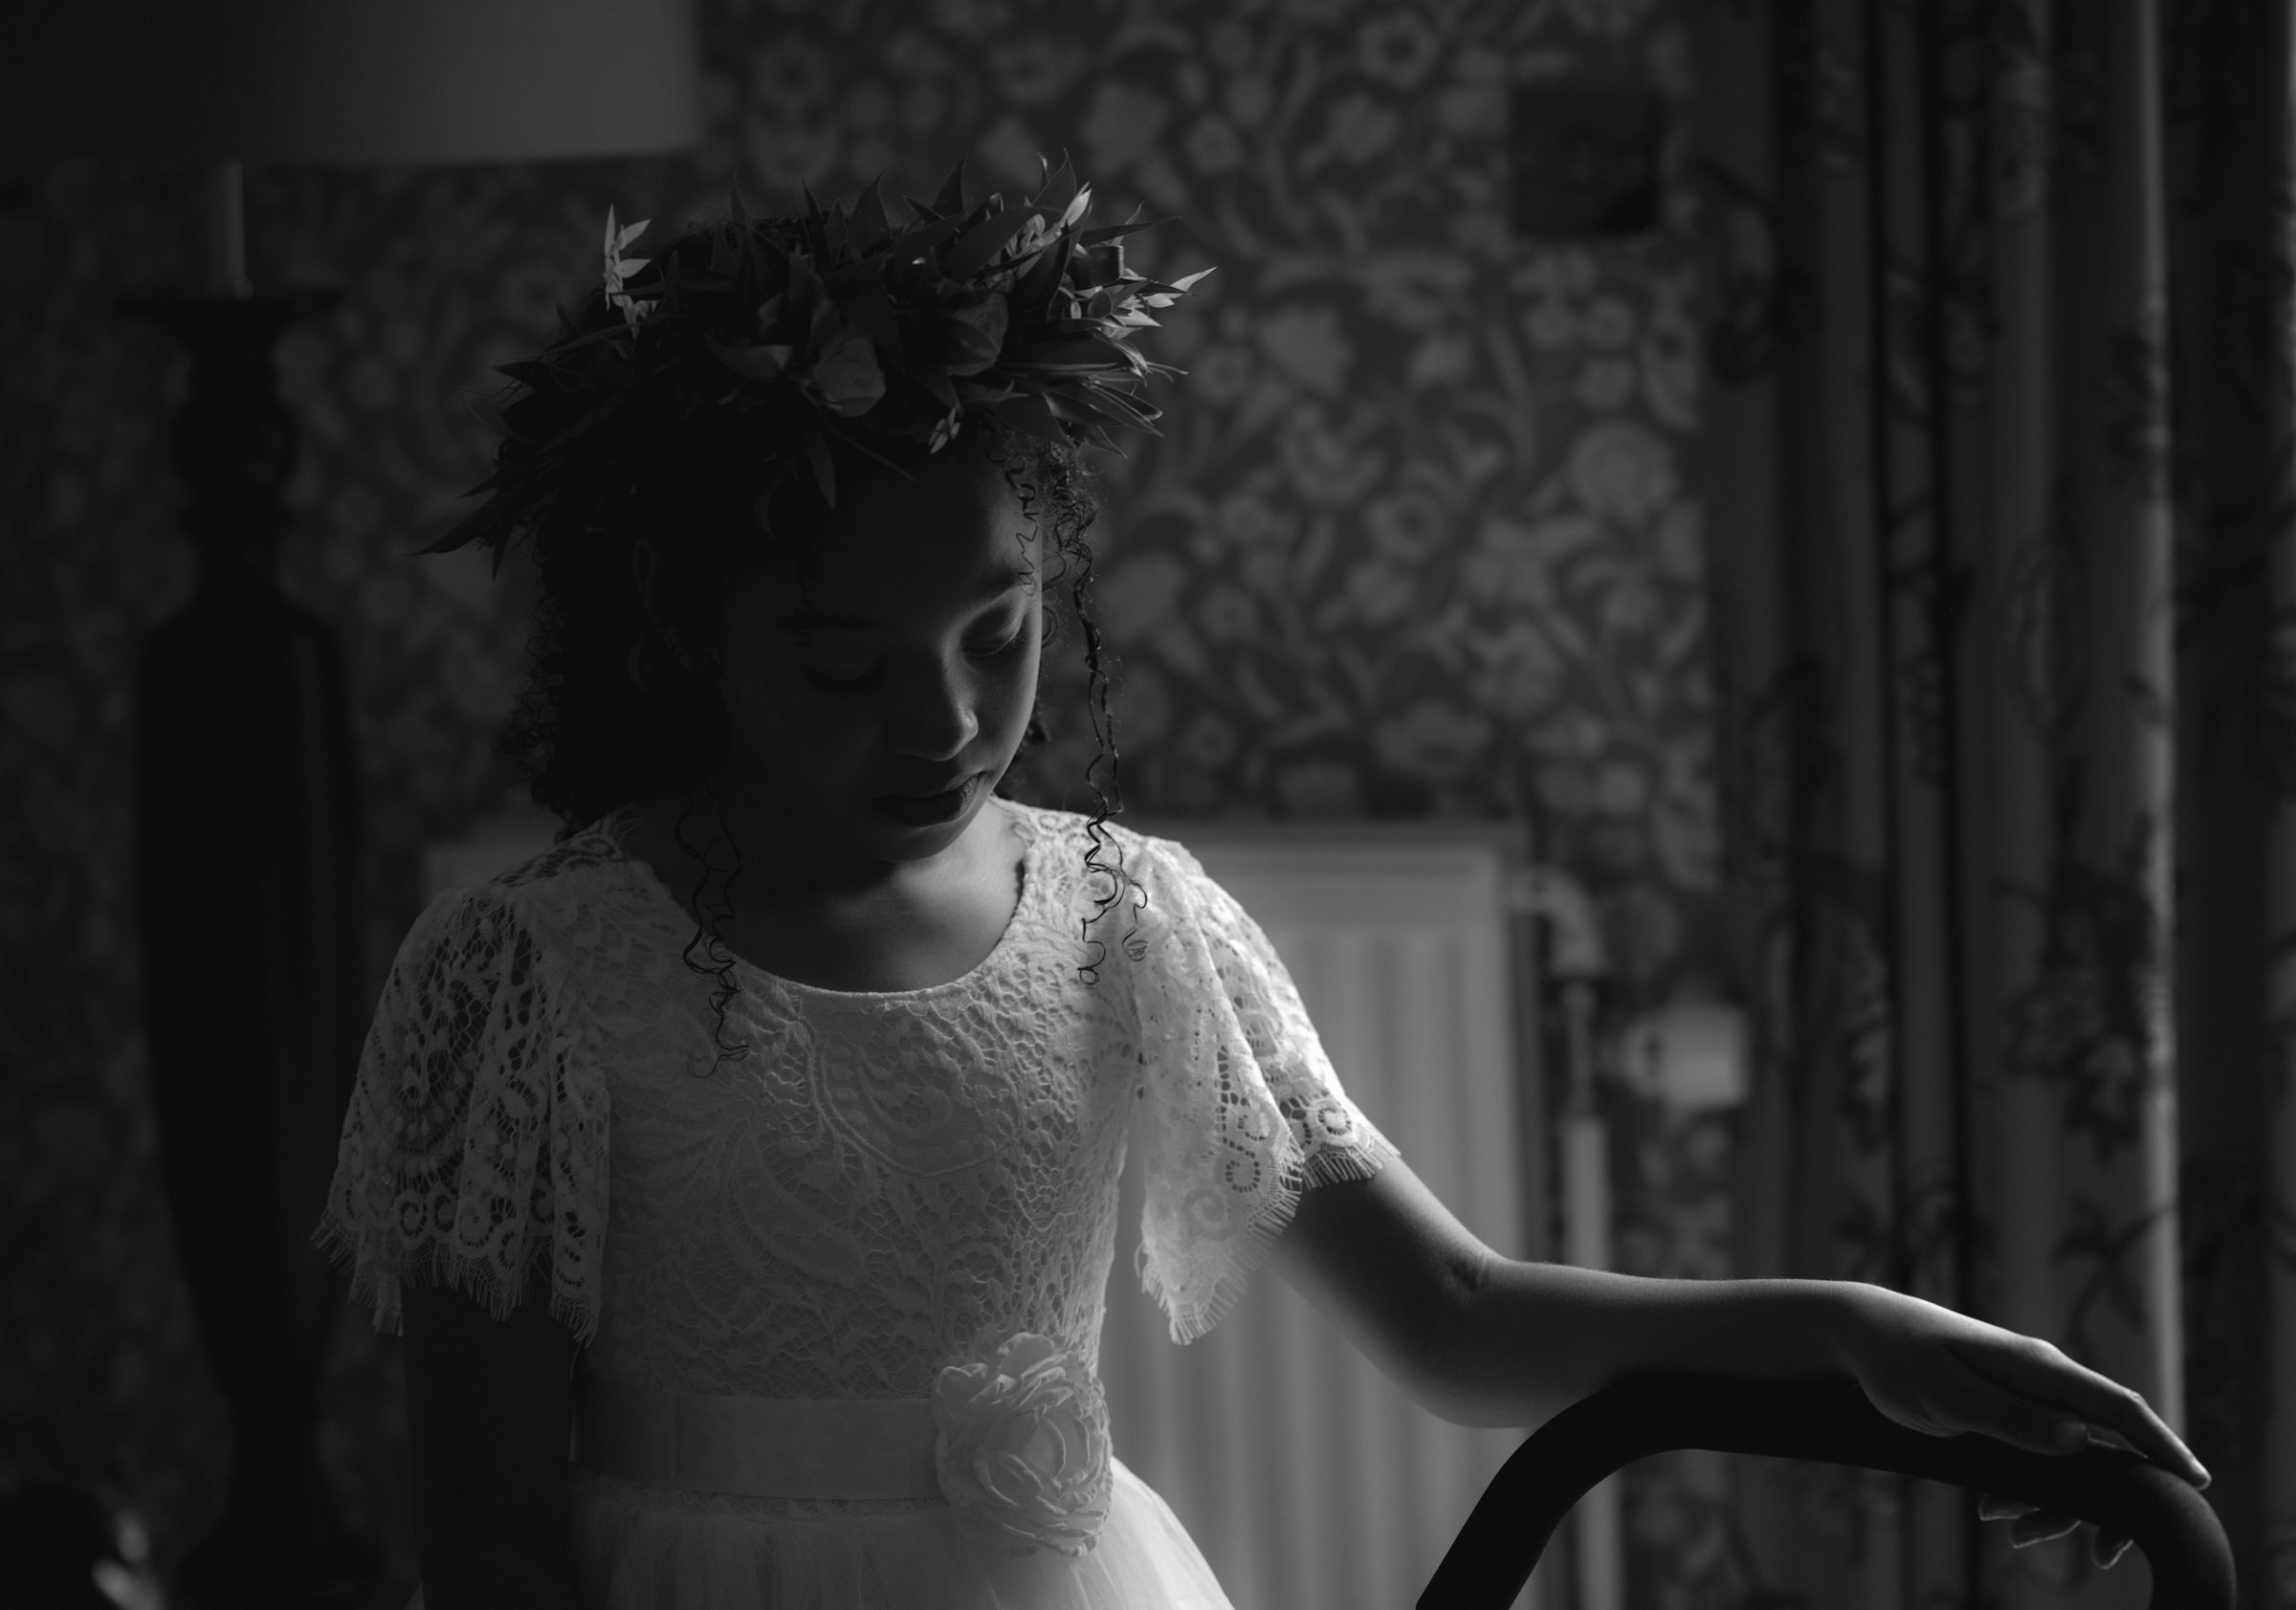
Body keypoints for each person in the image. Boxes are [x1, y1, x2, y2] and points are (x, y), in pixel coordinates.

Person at [315, 165, 2206, 1610]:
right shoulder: (532, 976)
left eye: (1002, 629)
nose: (949, 714)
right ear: (684, 628)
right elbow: (483, 1537)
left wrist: (1852, 1321)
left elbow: (1459, 1314)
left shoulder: (1127, 922)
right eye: (843, 662)